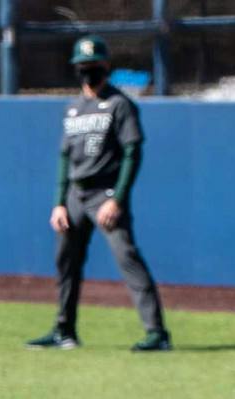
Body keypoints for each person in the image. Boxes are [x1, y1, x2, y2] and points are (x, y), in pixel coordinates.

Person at [26, 36, 171, 354]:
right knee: (66, 262)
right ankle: (64, 329)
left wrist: (117, 198)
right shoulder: (73, 109)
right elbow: (65, 158)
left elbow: (132, 152)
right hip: (76, 195)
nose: (87, 72)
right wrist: (58, 203)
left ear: (106, 66)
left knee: (127, 257)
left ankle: (157, 332)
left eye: (93, 67)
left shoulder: (120, 105)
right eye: (82, 67)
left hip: (105, 193)